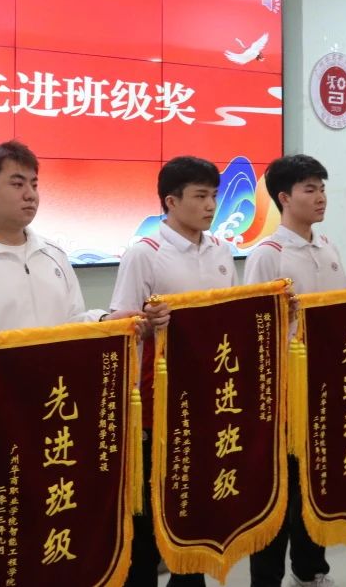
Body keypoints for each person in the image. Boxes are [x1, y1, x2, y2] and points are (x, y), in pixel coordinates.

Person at [0, 140, 151, 587]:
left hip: (51, 428)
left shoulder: (53, 255)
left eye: (34, 183)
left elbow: (72, 324)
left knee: (44, 545)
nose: (31, 194)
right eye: (17, 183)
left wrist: (109, 323)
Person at [109, 156, 221, 587]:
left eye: (213, 196)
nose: (210, 205)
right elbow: (121, 323)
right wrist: (144, 322)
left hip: (207, 393)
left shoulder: (220, 248)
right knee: (149, 506)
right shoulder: (145, 253)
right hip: (157, 401)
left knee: (193, 502)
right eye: (200, 196)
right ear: (171, 202)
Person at [244, 155, 343, 587]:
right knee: (278, 489)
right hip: (284, 390)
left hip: (327, 384)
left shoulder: (328, 247)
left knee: (316, 481)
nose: (320, 197)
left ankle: (311, 569)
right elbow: (253, 328)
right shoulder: (267, 254)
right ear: (284, 198)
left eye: (322, 187)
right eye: (309, 189)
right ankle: (267, 578)